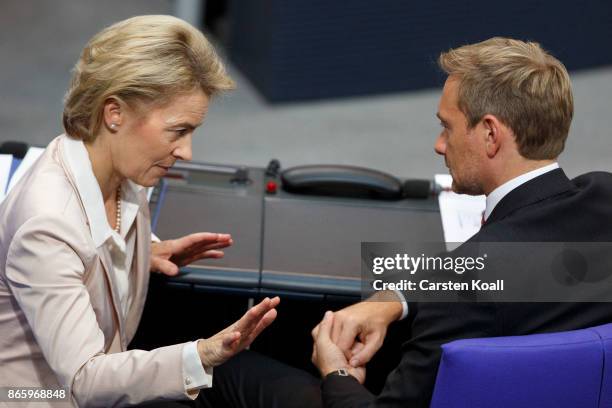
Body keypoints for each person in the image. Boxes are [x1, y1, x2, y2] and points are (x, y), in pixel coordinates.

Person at [197, 37, 612, 407]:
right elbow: (520, 270)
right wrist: (392, 301)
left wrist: (335, 372)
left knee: (230, 370)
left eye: (447, 128)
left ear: (490, 134)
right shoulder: (603, 196)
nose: (438, 145)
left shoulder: (464, 297)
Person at [0, 15, 279, 407]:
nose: (186, 152)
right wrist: (202, 355)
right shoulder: (47, 224)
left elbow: (94, 240)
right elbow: (85, 379)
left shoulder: (120, 165)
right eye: (177, 130)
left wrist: (144, 250)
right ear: (114, 113)